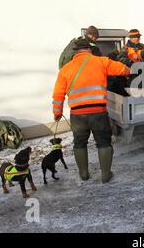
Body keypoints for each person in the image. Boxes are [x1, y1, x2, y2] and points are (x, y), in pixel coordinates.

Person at [52, 38, 130, 183]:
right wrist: (127, 70)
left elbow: (58, 95)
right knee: (104, 143)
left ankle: (84, 174)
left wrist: (57, 113)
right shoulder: (101, 61)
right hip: (98, 112)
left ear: (76, 52)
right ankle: (106, 175)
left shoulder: (66, 69)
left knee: (79, 143)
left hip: (77, 115)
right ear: (89, 49)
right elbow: (123, 69)